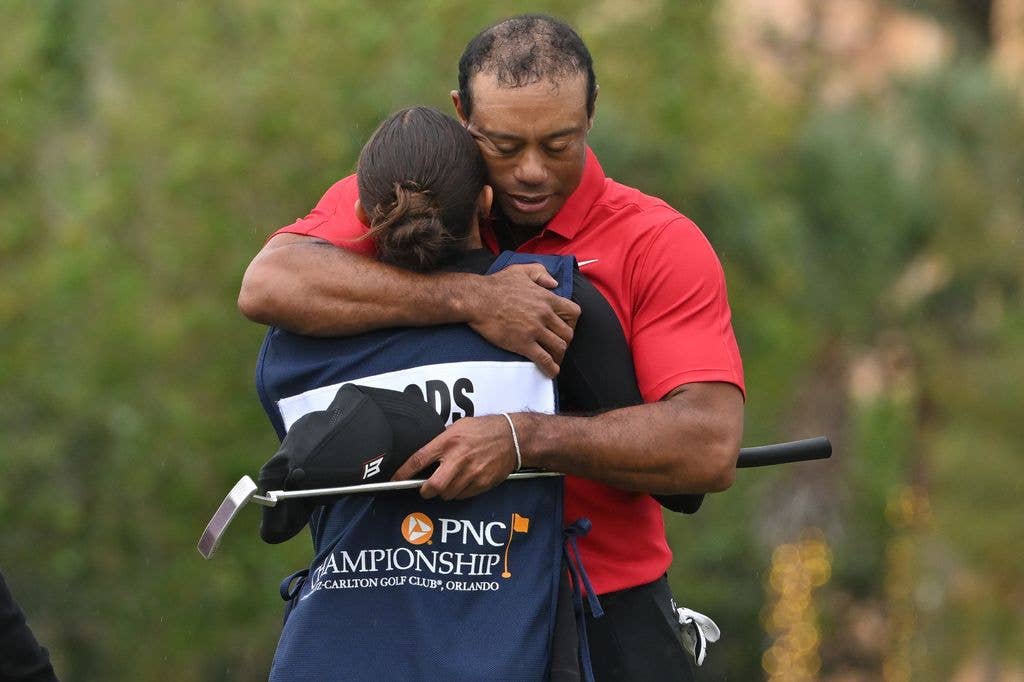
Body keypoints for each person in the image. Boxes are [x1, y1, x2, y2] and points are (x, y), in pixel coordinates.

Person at [240, 14, 745, 680]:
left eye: (559, 143)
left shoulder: (659, 243)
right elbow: (268, 283)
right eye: (504, 145)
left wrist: (520, 439)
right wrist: (473, 299)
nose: (532, 172)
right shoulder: (418, 191)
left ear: (592, 113)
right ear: (462, 116)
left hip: (603, 610)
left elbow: (708, 445)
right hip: (418, 611)